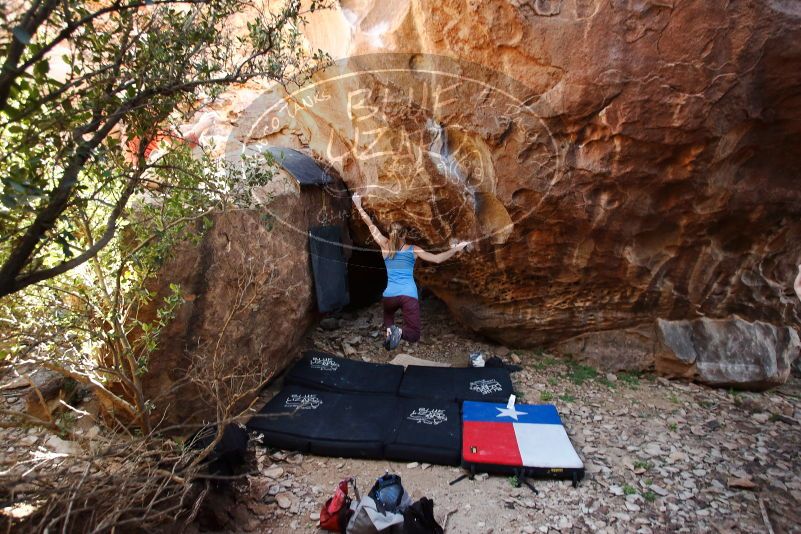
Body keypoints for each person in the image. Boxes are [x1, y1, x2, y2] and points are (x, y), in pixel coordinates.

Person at [352, 192, 470, 350]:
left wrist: (358, 205)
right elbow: (437, 259)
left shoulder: (383, 244)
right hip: (408, 295)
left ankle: (390, 332)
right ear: (405, 234)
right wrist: (455, 249)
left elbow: (370, 225)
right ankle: (398, 332)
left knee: (388, 318)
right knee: (413, 334)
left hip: (389, 296)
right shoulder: (413, 249)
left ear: (390, 233)